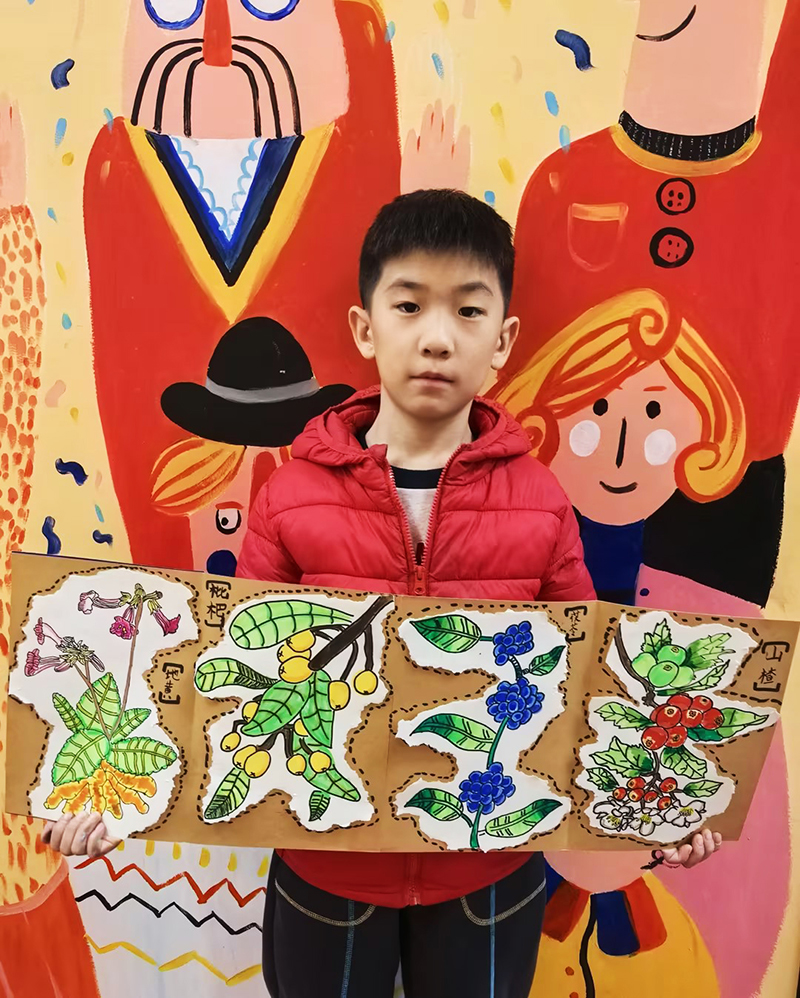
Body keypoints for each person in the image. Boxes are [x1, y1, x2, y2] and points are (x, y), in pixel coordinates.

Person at [42, 190, 722, 997]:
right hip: (324, 865)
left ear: (502, 340)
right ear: (366, 328)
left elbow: (587, 688)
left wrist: (664, 807)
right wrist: (112, 796)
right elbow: (222, 682)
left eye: (468, 310)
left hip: (487, 870)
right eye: (409, 305)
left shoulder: (541, 501)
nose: (437, 336)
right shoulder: (291, 496)